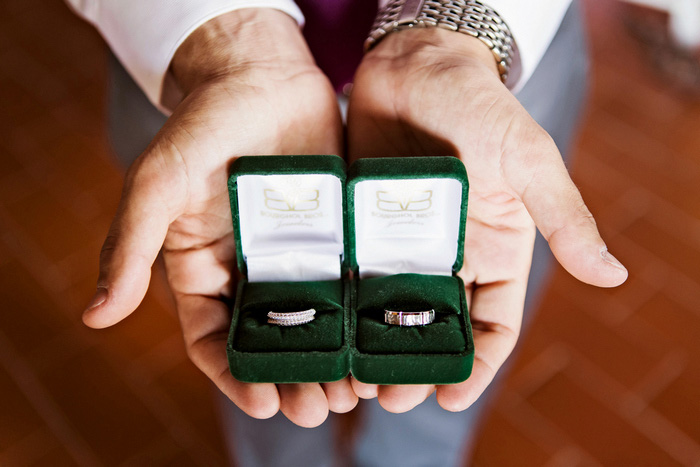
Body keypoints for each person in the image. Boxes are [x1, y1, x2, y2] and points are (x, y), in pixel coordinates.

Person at [68, 0, 628, 465]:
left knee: (449, 368)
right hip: (188, 72)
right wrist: (223, 39)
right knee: (255, 356)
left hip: (493, 67)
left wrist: (453, 32)